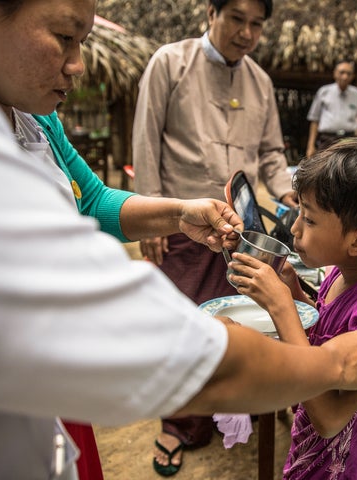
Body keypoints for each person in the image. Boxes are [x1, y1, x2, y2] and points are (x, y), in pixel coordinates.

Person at [0, 61, 357, 479]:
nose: (77, 62)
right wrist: (324, 352)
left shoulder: (33, 116)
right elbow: (179, 355)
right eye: (63, 36)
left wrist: (180, 214)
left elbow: (94, 199)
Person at [131, 0, 299, 474]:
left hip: (240, 228)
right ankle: (180, 424)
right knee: (182, 324)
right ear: (211, 12)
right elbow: (145, 140)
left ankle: (234, 409)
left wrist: (290, 192)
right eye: (236, 19)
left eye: (257, 25)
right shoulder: (170, 62)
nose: (246, 33)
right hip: (181, 222)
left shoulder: (261, 82)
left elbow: (270, 154)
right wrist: (151, 219)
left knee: (238, 322)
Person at [229, 139, 357, 479]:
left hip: (339, 468)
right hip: (309, 455)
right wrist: (295, 293)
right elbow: (325, 336)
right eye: (299, 212)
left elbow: (329, 419)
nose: (295, 229)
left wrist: (282, 308)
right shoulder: (345, 271)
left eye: (310, 220)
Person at [305, 59, 357, 157]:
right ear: (335, 73)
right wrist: (310, 146)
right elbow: (314, 119)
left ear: (353, 76)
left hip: (349, 139)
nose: (345, 76)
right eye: (342, 72)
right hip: (327, 140)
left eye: (349, 73)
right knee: (325, 169)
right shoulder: (324, 92)